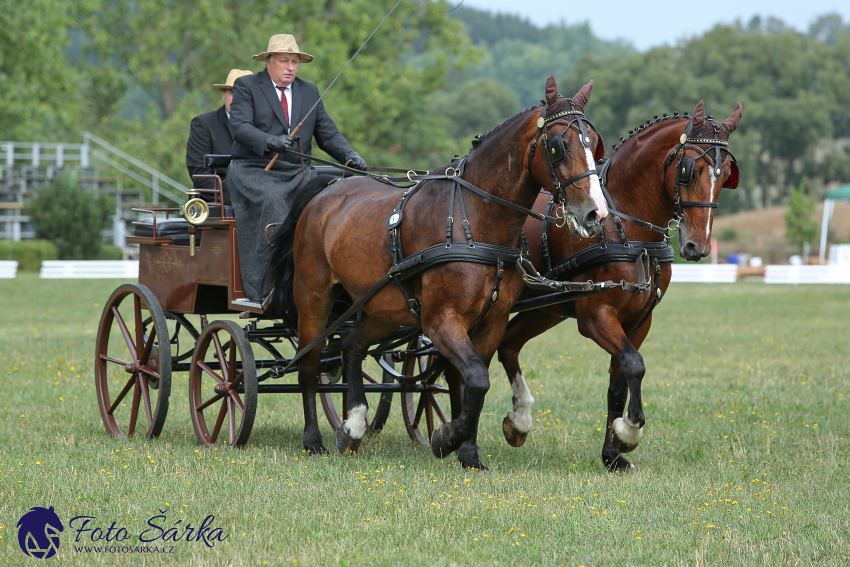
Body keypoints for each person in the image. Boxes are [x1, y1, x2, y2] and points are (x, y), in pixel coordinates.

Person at [228, 34, 367, 303]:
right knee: (275, 202)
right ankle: (268, 288)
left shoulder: (309, 91)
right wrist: (270, 141)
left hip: (298, 172)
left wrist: (350, 155)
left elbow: (327, 134)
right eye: (284, 61)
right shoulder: (246, 86)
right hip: (255, 170)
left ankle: (326, 283)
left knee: (335, 201)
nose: (290, 67)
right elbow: (240, 127)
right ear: (268, 62)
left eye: (295, 61)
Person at [185, 69, 252, 201]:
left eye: (245, 94)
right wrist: (237, 199)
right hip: (218, 203)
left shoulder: (266, 125)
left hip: (260, 201)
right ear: (223, 95)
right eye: (233, 93)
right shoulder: (204, 124)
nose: (238, 100)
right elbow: (199, 173)